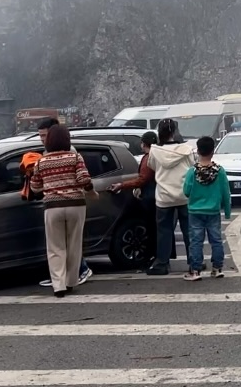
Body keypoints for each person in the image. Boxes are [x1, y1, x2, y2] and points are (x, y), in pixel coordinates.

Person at [29, 124, 94, 297]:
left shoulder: (41, 161)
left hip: (52, 207)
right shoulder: (75, 157)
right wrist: (90, 189)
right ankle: (71, 281)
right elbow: (83, 178)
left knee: (55, 247)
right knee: (74, 244)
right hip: (76, 205)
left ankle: (58, 286)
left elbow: (35, 187)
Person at [147, 118, 194, 275]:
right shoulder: (186, 149)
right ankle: (194, 262)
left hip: (164, 196)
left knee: (164, 231)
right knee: (189, 230)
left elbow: (152, 166)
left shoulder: (154, 151)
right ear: (174, 132)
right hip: (184, 194)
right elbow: (192, 166)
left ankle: (162, 263)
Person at [182, 136, 231, 280]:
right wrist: (227, 211)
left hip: (195, 211)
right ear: (213, 151)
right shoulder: (219, 171)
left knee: (196, 241)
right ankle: (217, 268)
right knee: (216, 240)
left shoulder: (192, 171)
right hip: (213, 211)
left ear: (198, 151)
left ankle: (195, 270)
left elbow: (186, 191)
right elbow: (225, 193)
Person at [109, 131, 159, 261]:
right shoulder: (157, 156)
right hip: (157, 196)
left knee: (151, 228)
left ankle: (152, 256)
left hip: (149, 197)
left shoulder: (149, 158)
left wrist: (122, 185)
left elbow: (142, 179)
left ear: (143, 144)